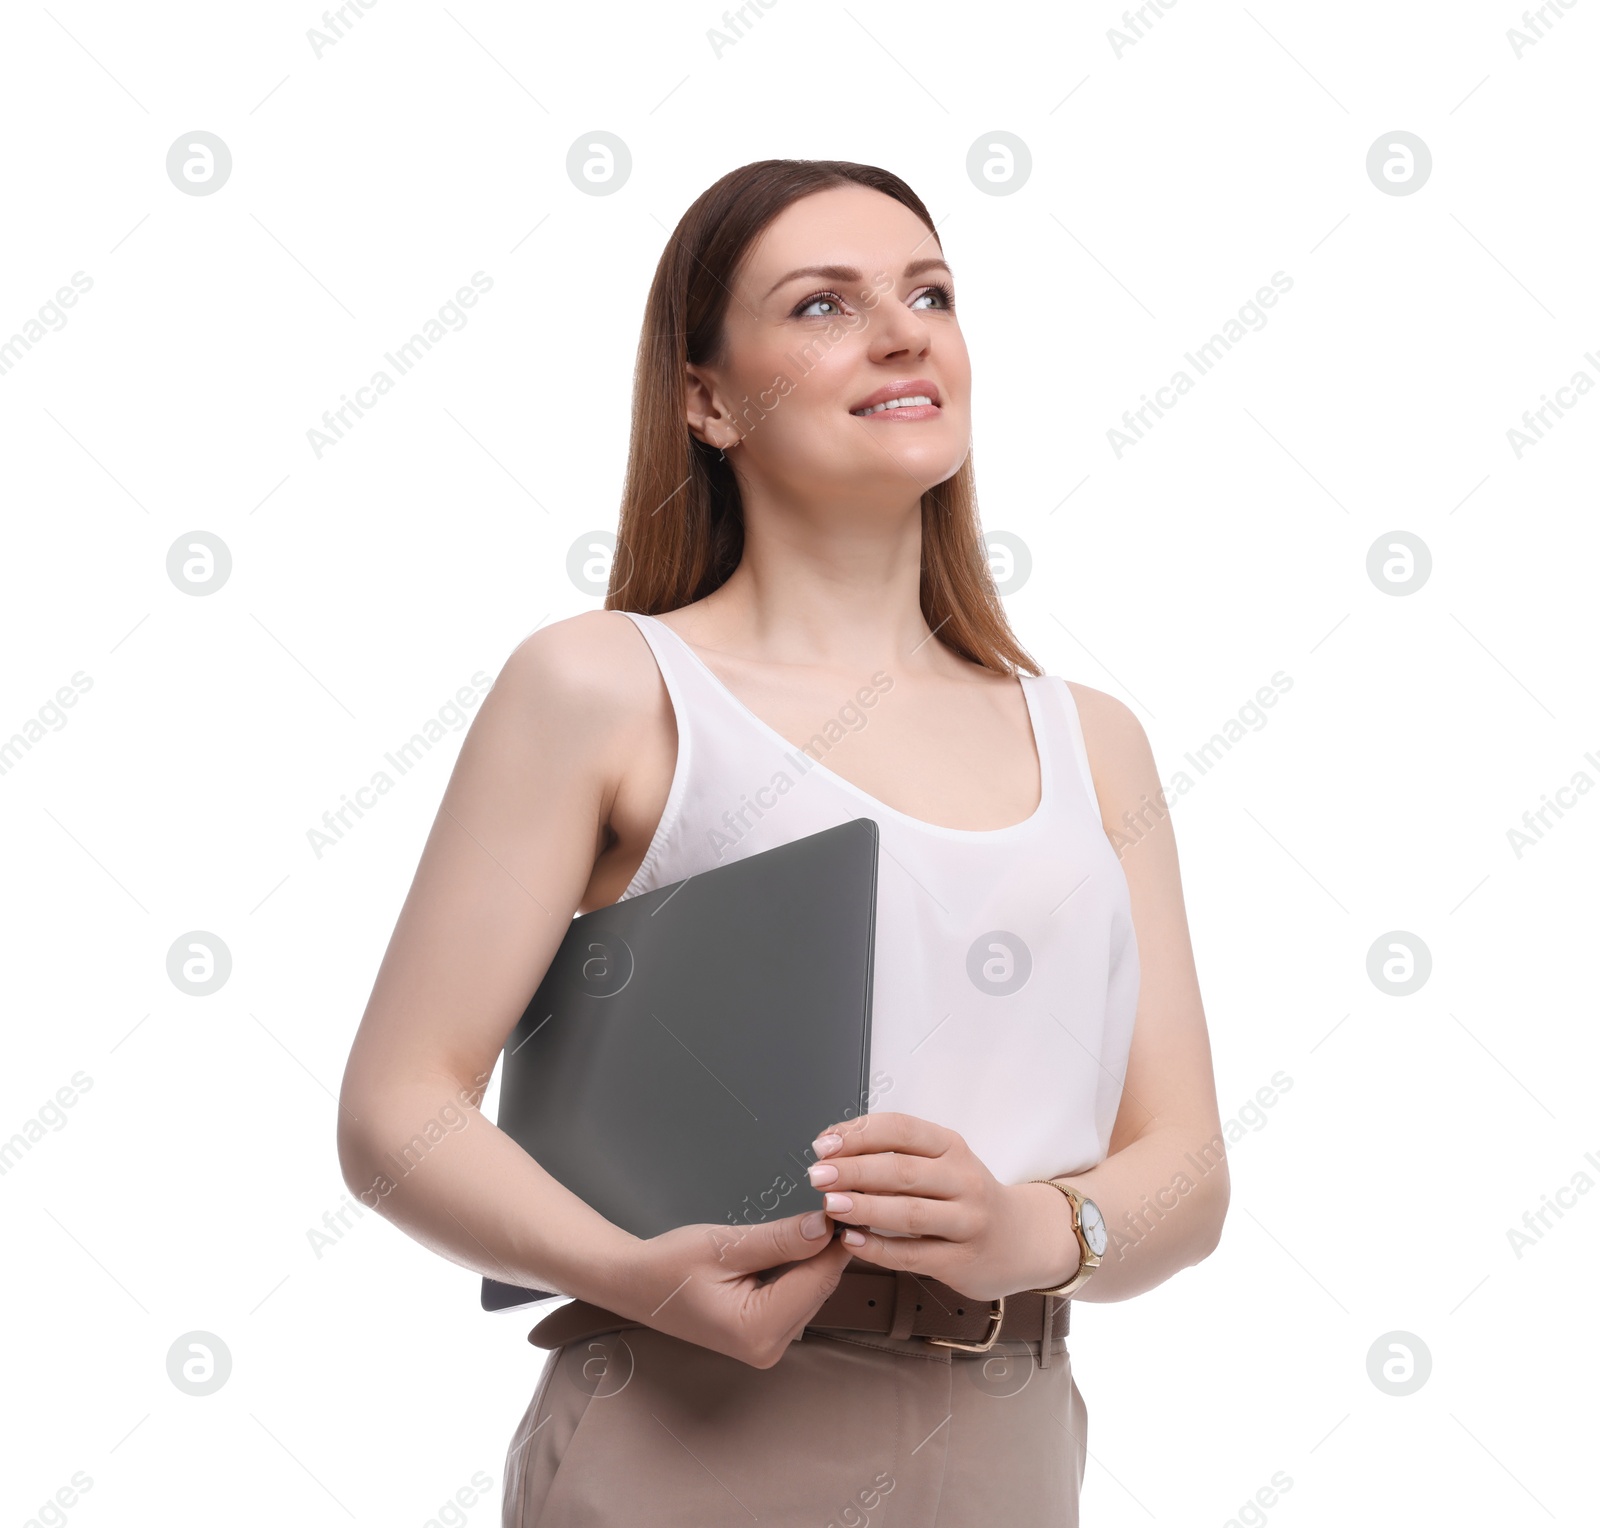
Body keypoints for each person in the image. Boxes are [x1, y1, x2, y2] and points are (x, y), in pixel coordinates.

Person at [337, 158, 1229, 1527]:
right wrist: (632, 1274)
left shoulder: (1091, 739)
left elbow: (1185, 1164)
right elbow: (398, 1111)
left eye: (930, 292)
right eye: (824, 306)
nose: (902, 331)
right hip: (691, 1433)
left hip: (1014, 1439)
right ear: (706, 399)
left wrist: (1032, 1231)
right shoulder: (605, 688)